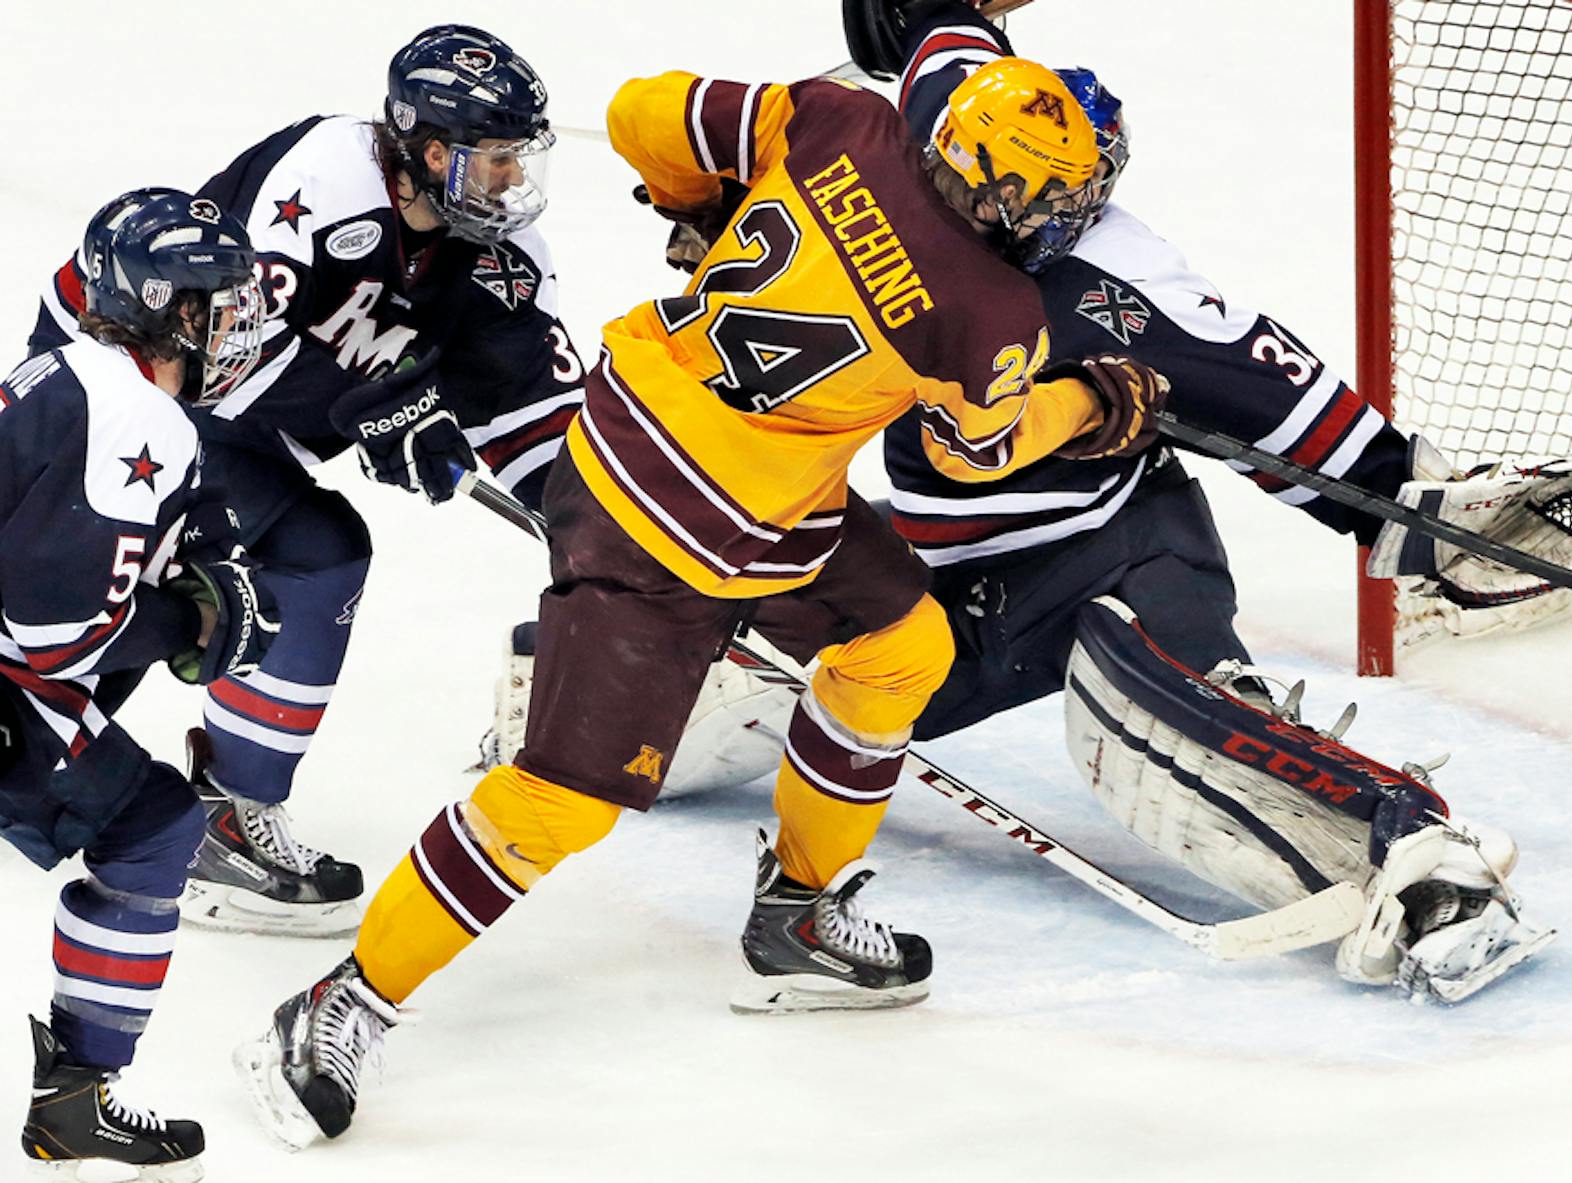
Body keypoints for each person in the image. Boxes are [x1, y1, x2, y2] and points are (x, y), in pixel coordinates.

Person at [575, 0, 1572, 1001]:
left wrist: (1416, 507)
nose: (1040, 216)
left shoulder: (1046, 211)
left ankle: (1416, 868)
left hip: (1089, 556)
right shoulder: (981, 156)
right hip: (936, 575)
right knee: (835, 657)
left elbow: (1274, 392)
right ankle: (577, 687)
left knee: (1163, 675)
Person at [237, 57, 1169, 1149]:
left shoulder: (840, 123)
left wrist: (697, 203)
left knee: (900, 642)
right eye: (1068, 196)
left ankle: (797, 915)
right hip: (665, 533)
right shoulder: (991, 313)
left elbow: (639, 111)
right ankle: (339, 1003)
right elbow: (981, 449)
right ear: (1017, 195)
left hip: (733, 480)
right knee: (559, 801)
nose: (1076, 216)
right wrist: (1097, 401)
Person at [27, 25, 584, 937]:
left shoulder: (504, 262)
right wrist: (372, 409)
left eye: (517, 159)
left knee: (299, 559)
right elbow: (216, 353)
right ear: (431, 152)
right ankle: (140, 781)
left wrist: (617, 536)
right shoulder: (325, 177)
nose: (512, 181)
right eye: (493, 160)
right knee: (145, 591)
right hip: (121, 388)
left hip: (231, 430)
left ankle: (221, 808)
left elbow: (537, 419)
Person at [5, 188, 278, 1181]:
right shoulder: (135, 416)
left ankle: (75, 1101)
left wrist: (198, 559)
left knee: (148, 820)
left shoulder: (89, 374)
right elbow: (49, 637)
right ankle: (75, 1100)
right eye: (223, 302)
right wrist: (184, 623)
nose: (242, 321)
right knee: (152, 826)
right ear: (172, 309)